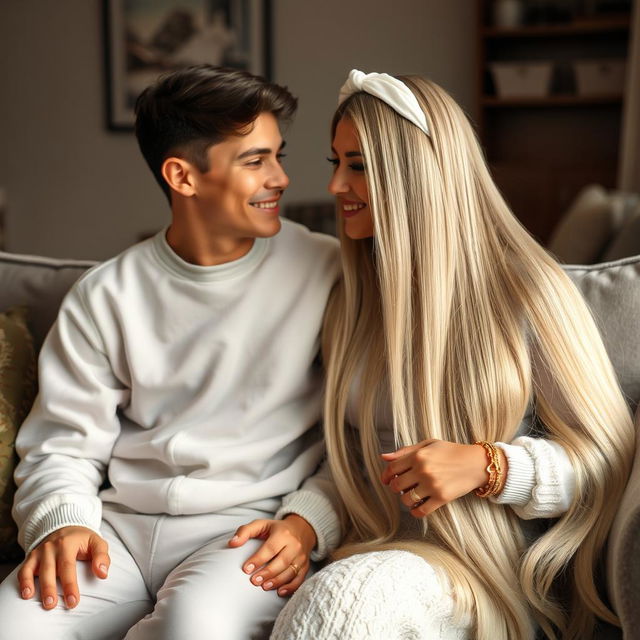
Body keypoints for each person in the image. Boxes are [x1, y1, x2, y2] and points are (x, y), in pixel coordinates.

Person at [268, 70, 636, 640]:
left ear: (416, 175)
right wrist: (303, 522)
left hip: (488, 579)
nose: (336, 186)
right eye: (335, 163)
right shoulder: (352, 304)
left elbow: (604, 466)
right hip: (375, 551)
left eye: (359, 166)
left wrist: (490, 467)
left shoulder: (527, 294)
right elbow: (356, 467)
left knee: (345, 600)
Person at [0, 65, 340, 639]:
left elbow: (360, 435)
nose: (281, 178)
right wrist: (62, 523)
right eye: (255, 160)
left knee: (192, 629)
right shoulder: (105, 293)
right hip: (116, 531)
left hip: (248, 531)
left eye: (278, 155)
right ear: (183, 177)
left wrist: (311, 520)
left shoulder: (329, 273)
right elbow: (61, 444)